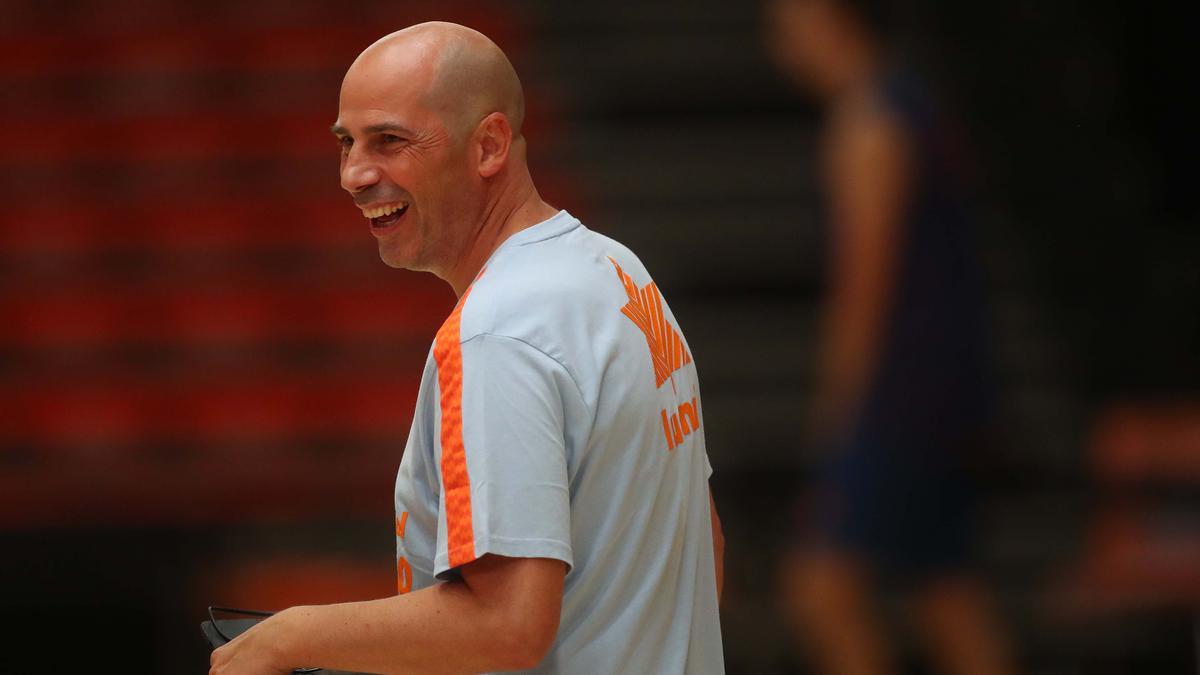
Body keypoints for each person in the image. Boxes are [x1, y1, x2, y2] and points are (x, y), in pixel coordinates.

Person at [210, 21, 725, 675]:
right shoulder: (618, 271)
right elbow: (698, 542)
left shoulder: (496, 334)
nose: (353, 175)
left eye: (389, 141)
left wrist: (287, 637)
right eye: (346, 143)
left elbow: (507, 624)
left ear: (488, 145)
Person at [766, 2, 1016, 675]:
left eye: (790, 21)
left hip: (902, 394)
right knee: (949, 596)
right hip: (948, 386)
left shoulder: (868, 119)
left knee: (822, 589)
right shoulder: (912, 102)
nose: (779, 39)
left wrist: (838, 416)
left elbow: (865, 286)